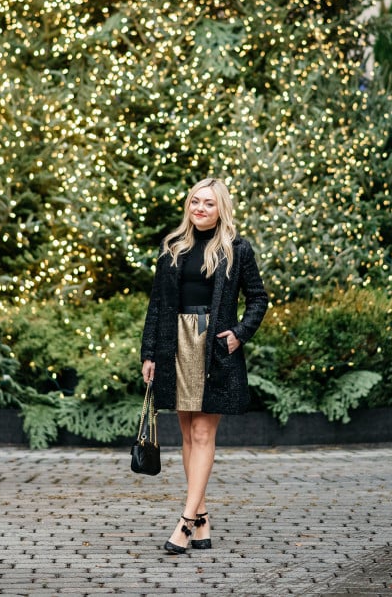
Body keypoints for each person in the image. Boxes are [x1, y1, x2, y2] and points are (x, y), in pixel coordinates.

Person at [140, 177, 268, 555]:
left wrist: (238, 334)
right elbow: (157, 306)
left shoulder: (237, 249)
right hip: (174, 344)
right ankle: (203, 517)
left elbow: (258, 299)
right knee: (186, 434)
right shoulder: (173, 247)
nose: (199, 208)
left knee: (201, 434)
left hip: (213, 347)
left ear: (221, 208)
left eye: (208, 203)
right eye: (195, 201)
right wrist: (149, 354)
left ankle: (185, 521)